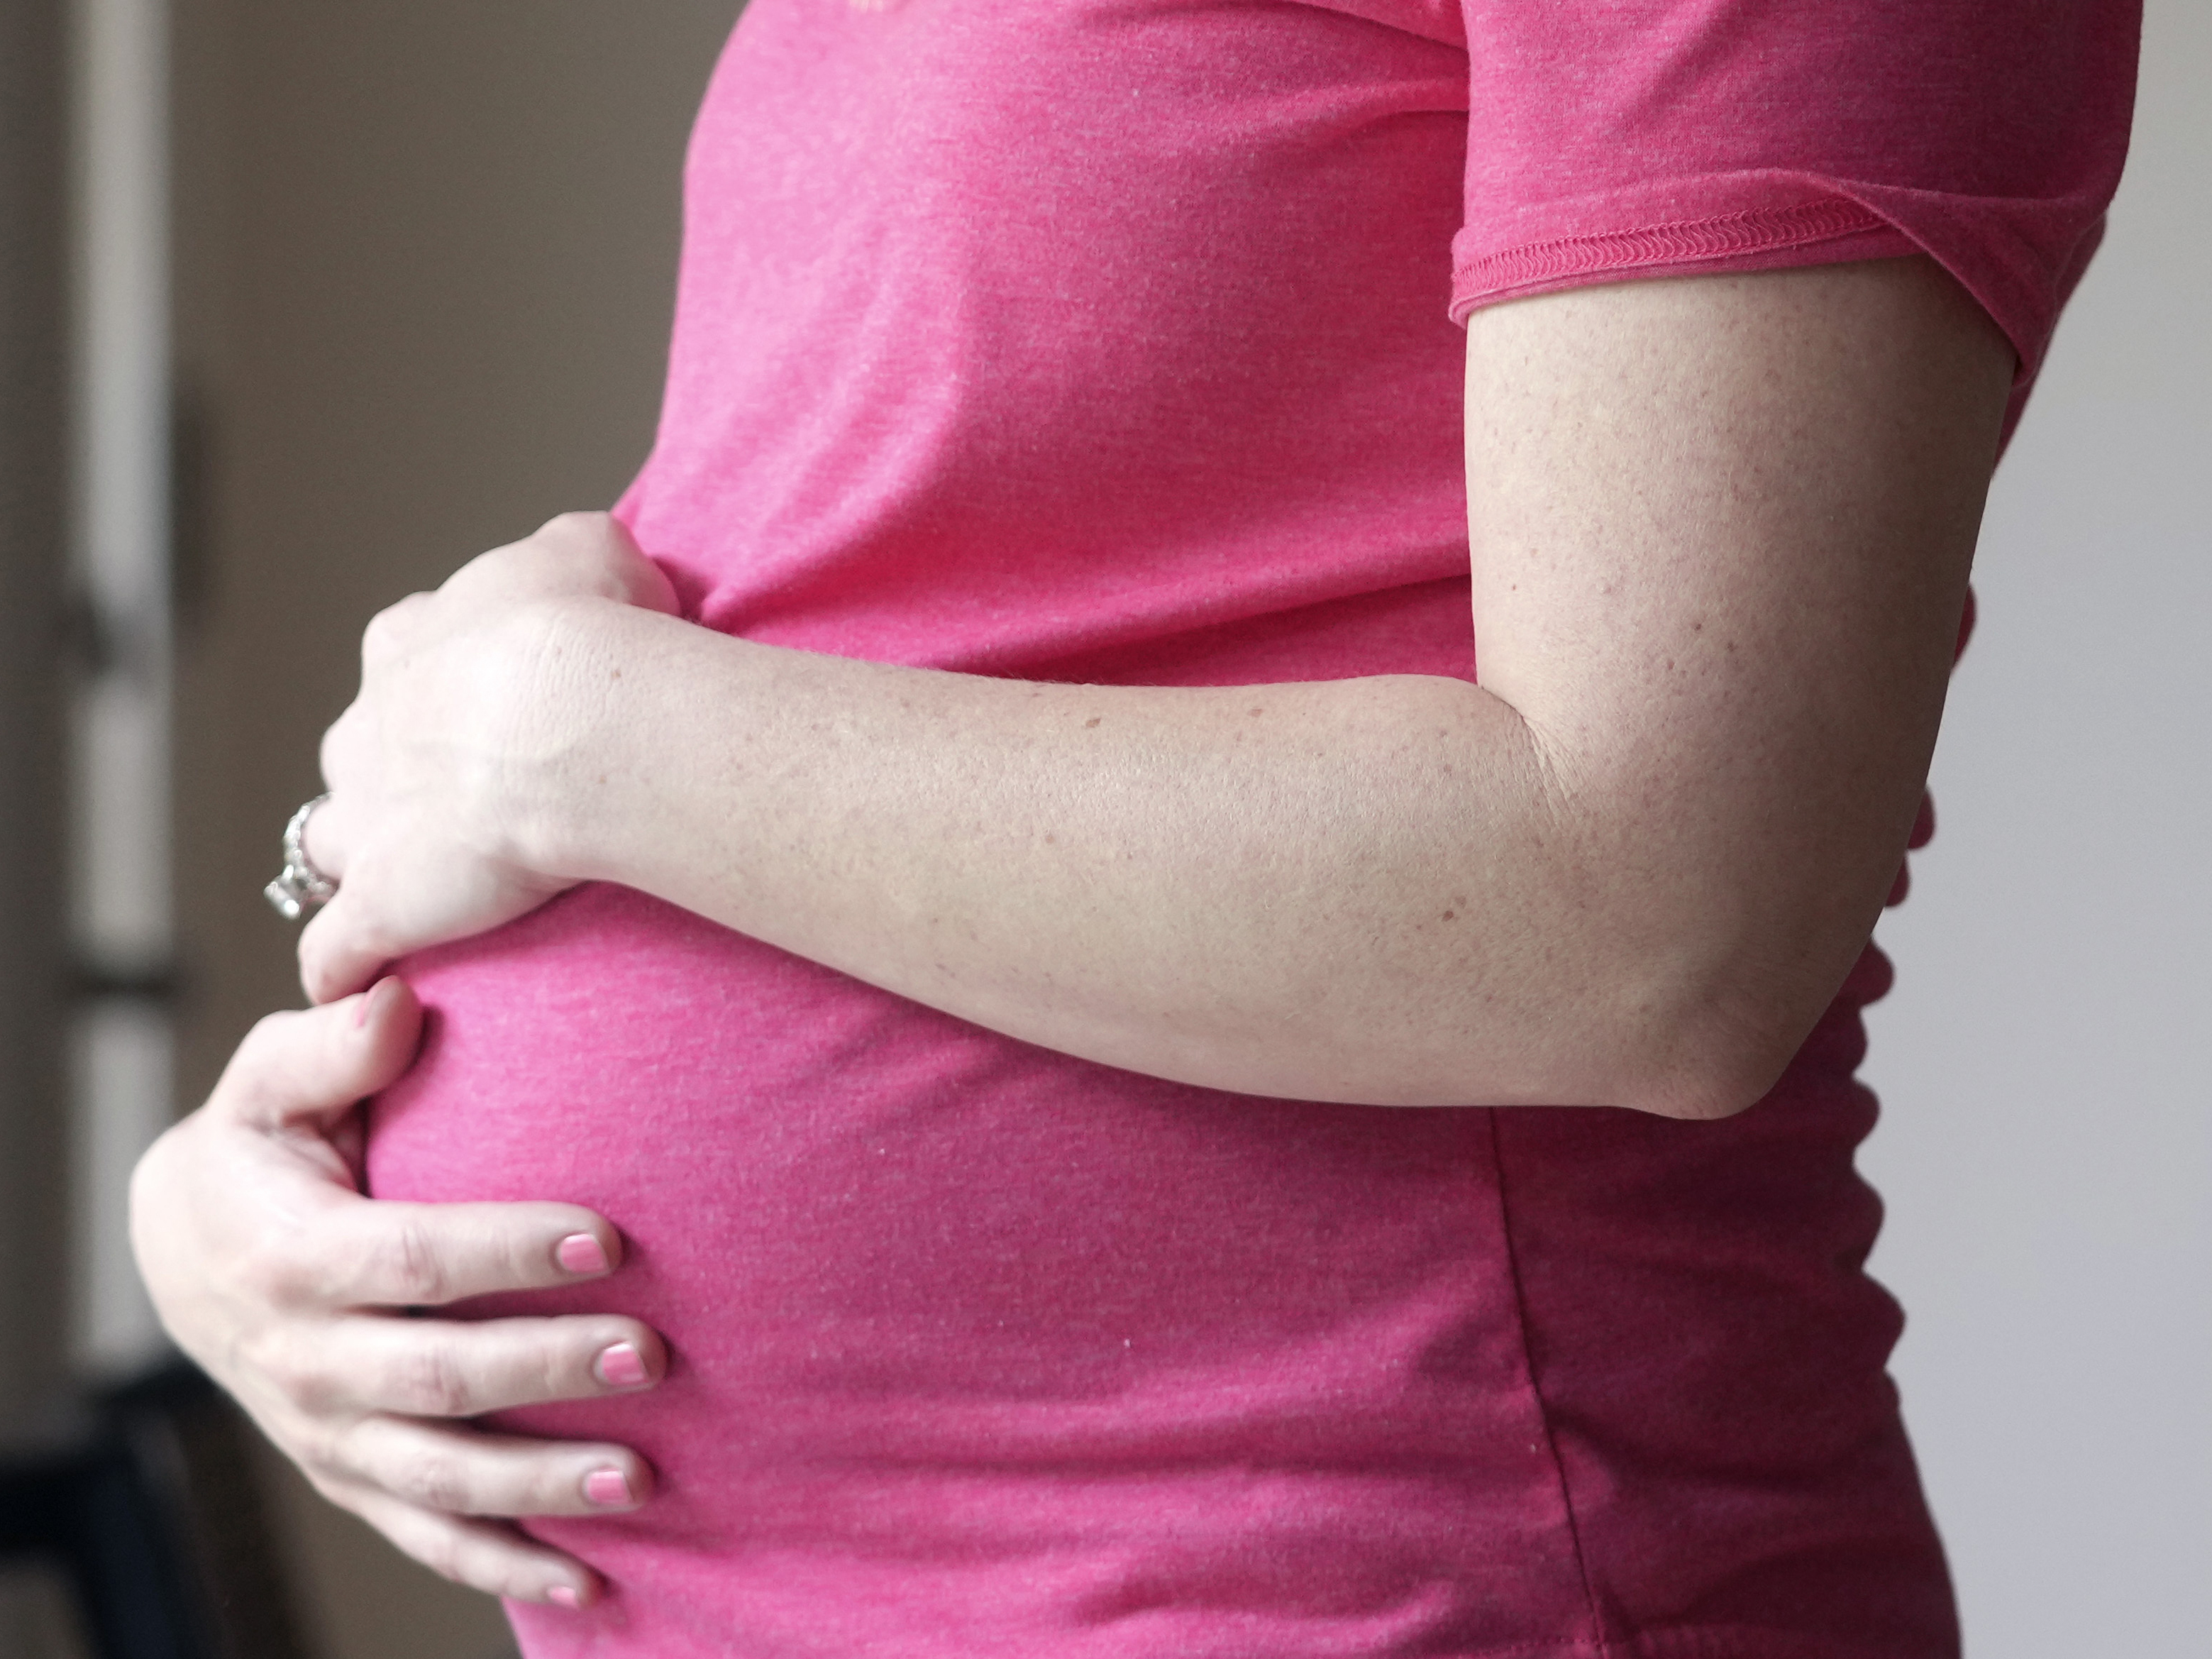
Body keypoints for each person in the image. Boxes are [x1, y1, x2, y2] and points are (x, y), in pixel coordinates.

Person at [131, 1, 2139, 1654]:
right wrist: (300, 1147)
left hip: (1373, 1570)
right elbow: (902, 608)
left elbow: (1656, 907)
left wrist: (581, 739)